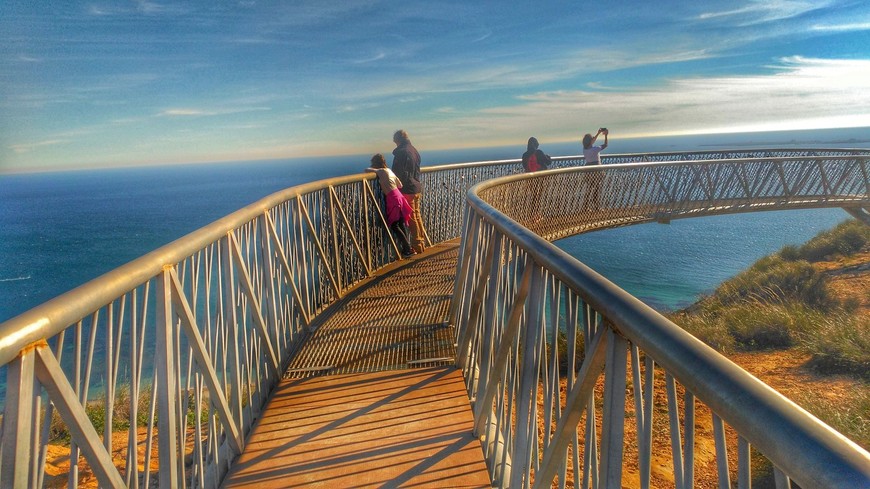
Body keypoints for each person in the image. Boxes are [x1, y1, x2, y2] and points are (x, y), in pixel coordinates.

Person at [366, 153, 415, 258]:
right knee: (401, 224)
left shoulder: (381, 171)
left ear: (376, 163)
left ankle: (408, 249)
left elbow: (368, 170)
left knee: (394, 225)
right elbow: (400, 185)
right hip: (399, 196)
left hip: (392, 198)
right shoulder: (389, 171)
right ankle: (408, 249)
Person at [391, 130, 426, 253]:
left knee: (411, 217)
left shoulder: (401, 152)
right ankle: (422, 242)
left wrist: (397, 186)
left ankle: (417, 245)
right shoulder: (413, 150)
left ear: (398, 139)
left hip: (407, 188)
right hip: (416, 187)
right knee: (416, 215)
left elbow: (399, 173)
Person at [582, 128, 609, 209]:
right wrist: (606, 136)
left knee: (589, 188)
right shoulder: (595, 149)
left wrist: (598, 133)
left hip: (588, 170)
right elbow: (605, 145)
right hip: (596, 170)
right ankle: (597, 206)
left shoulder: (585, 149)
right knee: (596, 189)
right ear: (591, 141)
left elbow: (592, 141)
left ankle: (586, 206)